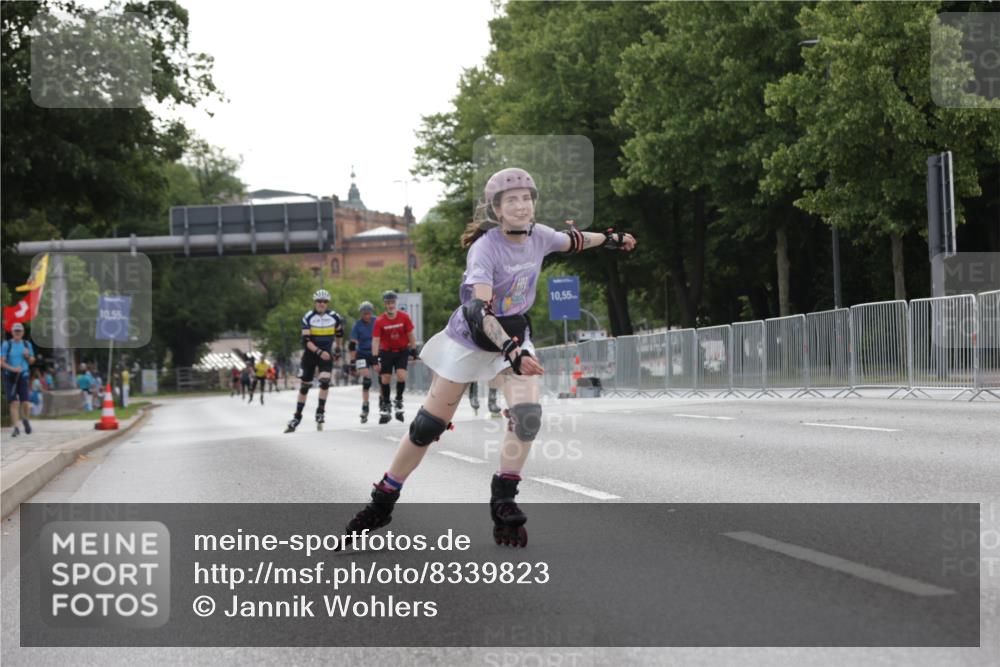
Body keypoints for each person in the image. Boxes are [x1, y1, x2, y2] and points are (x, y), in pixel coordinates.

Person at [344, 167, 637, 547]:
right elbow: (477, 312)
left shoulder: (540, 236)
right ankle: (383, 500)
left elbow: (574, 240)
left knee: (528, 416)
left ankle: (503, 500)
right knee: (427, 428)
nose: (520, 205)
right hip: (472, 339)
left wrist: (612, 239)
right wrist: (511, 350)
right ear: (497, 210)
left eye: (526, 198)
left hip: (514, 334)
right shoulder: (485, 249)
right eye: (510, 200)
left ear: (533, 204)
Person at [285, 289, 344, 432]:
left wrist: (337, 349)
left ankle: (320, 412)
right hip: (311, 354)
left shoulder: (335, 317)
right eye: (319, 301)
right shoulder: (308, 317)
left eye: (324, 302)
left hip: (326, 355)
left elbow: (339, 334)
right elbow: (306, 341)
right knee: (305, 387)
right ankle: (297, 417)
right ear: (315, 302)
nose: (321, 304)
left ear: (327, 303)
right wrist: (319, 351)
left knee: (325, 382)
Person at [372, 290, 417, 424]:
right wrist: (374, 357)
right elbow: (375, 340)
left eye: (392, 302)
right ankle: (386, 402)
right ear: (385, 304)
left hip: (402, 351)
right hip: (386, 351)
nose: (390, 305)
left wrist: (414, 349)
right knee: (385, 378)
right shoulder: (380, 321)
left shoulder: (404, 317)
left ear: (395, 303)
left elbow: (410, 334)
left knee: (401, 375)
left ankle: (398, 400)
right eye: (388, 303)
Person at [2, 323, 37, 437]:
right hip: (10, 375)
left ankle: (25, 419)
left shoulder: (27, 345)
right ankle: (16, 427)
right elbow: (1, 362)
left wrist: (27, 356)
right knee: (14, 403)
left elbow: (32, 361)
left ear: (22, 333)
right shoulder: (7, 344)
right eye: (15, 331)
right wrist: (13, 368)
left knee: (25, 402)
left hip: (23, 375)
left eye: (19, 331)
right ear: (12, 332)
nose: (17, 333)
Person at [349, 301, 377, 423]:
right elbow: (352, 345)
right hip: (362, 354)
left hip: (375, 352)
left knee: (383, 377)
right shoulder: (357, 325)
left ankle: (383, 403)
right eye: (364, 314)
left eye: (369, 313)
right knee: (366, 380)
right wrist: (352, 361)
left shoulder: (377, 321)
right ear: (361, 314)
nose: (367, 316)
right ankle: (365, 406)